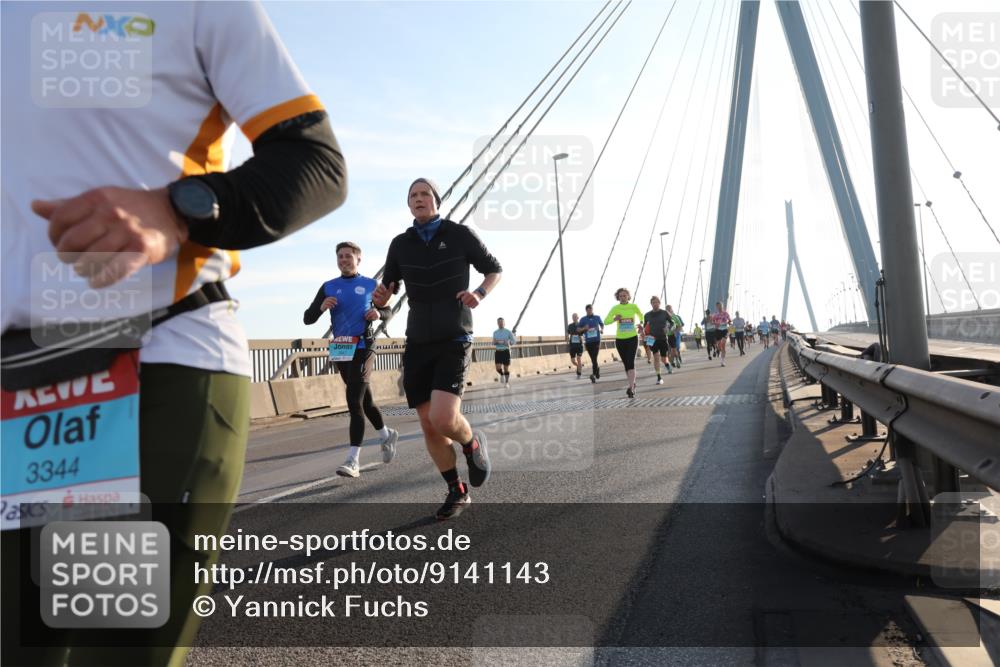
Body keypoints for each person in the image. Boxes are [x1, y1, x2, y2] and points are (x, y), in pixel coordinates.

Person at [1, 3, 347, 665]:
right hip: (18, 382)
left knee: (110, 649)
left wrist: (175, 210)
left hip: (154, 358)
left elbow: (315, 164)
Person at [373, 178, 502, 521]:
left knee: (443, 418)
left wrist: (479, 294)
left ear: (436, 201)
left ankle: (472, 443)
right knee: (429, 426)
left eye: (424, 194)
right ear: (408, 204)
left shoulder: (459, 234)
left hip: (454, 335)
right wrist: (381, 300)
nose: (419, 199)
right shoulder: (401, 244)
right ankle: (456, 490)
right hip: (417, 340)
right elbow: (387, 292)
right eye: (412, 195)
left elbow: (494, 269)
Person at [303, 242, 399, 477]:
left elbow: (388, 310)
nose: (344, 260)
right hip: (340, 348)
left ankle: (352, 459)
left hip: (364, 346)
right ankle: (386, 435)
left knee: (353, 402)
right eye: (340, 257)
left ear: (358, 260)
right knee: (365, 402)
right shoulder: (328, 286)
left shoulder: (370, 284)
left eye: (348, 256)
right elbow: (308, 318)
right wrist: (321, 308)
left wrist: (379, 313)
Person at [603, 288, 644, 398]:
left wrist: (641, 324)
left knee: (631, 362)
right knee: (626, 364)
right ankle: (632, 383)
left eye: (625, 295)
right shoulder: (615, 308)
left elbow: (641, 316)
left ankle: (631, 388)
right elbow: (605, 321)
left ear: (628, 296)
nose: (623, 297)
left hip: (632, 338)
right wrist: (614, 319)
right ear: (618, 297)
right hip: (620, 340)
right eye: (620, 296)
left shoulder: (633, 307)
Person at [644, 296, 672, 384]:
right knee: (656, 357)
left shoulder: (664, 313)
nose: (655, 304)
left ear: (659, 303)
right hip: (651, 338)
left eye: (656, 302)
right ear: (651, 304)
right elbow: (645, 327)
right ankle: (659, 378)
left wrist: (668, 328)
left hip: (663, 337)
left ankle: (667, 365)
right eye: (653, 302)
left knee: (664, 359)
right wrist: (642, 330)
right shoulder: (647, 315)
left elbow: (672, 323)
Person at [579, 304, 604, 383]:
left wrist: (601, 329)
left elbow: (602, 324)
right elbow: (578, 329)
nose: (590, 311)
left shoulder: (597, 317)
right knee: (593, 358)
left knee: (594, 357)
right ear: (586, 310)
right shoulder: (583, 319)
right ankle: (597, 370)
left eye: (591, 309)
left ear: (592, 310)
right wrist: (584, 328)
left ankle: (593, 374)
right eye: (588, 310)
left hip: (596, 340)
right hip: (588, 342)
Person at [493, 317, 516, 388]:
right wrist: (496, 342)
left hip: (506, 351)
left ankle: (506, 383)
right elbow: (493, 342)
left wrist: (508, 343)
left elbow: (513, 341)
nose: (500, 324)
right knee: (498, 368)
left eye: (502, 322)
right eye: (499, 322)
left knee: (506, 368)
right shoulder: (495, 332)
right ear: (497, 323)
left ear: (504, 323)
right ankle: (502, 375)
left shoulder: (508, 332)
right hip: (498, 351)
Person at [711, 302, 732, 367]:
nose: (719, 307)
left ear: (722, 306)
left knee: (723, 345)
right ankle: (718, 349)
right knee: (719, 346)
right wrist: (715, 324)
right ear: (716, 307)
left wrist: (729, 323)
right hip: (718, 331)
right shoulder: (715, 315)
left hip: (725, 330)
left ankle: (722, 361)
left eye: (720, 306)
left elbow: (730, 321)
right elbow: (712, 322)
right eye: (718, 306)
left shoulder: (726, 313)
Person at [665, 304, 684, 368]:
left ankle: (676, 360)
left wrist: (676, 331)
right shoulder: (664, 318)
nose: (668, 310)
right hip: (667, 336)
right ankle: (673, 361)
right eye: (667, 309)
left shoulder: (675, 317)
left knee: (675, 349)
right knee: (670, 351)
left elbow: (680, 325)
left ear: (671, 309)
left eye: (669, 309)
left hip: (675, 335)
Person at [567, 313, 585, 378]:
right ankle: (578, 366)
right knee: (573, 361)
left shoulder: (581, 325)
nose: (574, 318)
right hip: (572, 345)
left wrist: (581, 337)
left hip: (579, 345)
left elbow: (584, 333)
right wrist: (568, 339)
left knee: (578, 358)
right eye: (573, 317)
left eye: (575, 317)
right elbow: (568, 333)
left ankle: (579, 373)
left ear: (578, 317)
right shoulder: (570, 326)